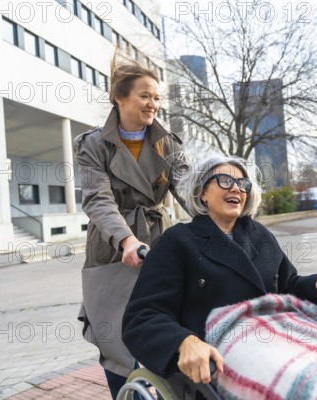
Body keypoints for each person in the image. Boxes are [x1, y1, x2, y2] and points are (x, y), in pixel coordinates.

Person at [122, 155, 317, 384]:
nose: (237, 188)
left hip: (278, 344)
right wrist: (184, 341)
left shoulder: (260, 235)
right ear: (202, 193)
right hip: (221, 362)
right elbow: (142, 317)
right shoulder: (178, 241)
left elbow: (288, 285)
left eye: (242, 184)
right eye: (225, 181)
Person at [74, 51, 188, 399]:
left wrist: (221, 214)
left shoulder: (167, 143)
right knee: (117, 341)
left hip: (159, 240)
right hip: (111, 247)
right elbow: (97, 198)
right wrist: (125, 239)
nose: (152, 103)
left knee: (166, 325)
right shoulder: (93, 144)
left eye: (156, 97)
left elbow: (189, 190)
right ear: (119, 97)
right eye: (144, 95)